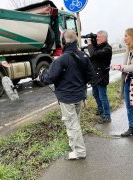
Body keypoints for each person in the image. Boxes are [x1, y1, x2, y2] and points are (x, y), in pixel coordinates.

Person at [37, 30, 95, 160]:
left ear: (63, 42)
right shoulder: (83, 56)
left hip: (67, 98)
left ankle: (79, 152)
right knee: (74, 123)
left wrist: (41, 76)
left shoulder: (62, 59)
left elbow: (49, 78)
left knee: (72, 124)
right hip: (80, 95)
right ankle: (74, 145)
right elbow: (90, 76)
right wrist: (79, 84)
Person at [111, 28, 133, 145]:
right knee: (129, 106)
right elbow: (126, 66)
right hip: (128, 81)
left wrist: (119, 66)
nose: (124, 38)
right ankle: (132, 128)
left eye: (126, 36)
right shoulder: (128, 49)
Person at [87, 30, 113, 124]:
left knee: (103, 97)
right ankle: (100, 109)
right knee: (95, 94)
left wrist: (90, 44)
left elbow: (93, 54)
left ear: (104, 38)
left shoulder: (107, 49)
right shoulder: (98, 47)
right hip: (94, 76)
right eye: (96, 37)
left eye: (98, 37)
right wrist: (92, 42)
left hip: (102, 76)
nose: (97, 38)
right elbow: (93, 55)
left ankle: (107, 116)